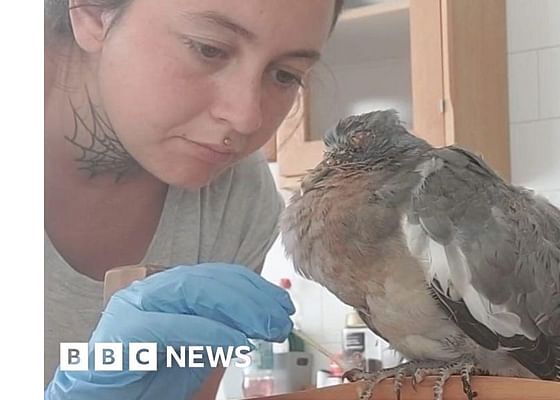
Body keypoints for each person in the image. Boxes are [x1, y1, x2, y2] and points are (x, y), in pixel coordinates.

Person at [43, 0, 344, 398]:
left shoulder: (239, 196)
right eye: (209, 49)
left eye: (285, 75)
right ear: (91, 12)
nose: (245, 118)